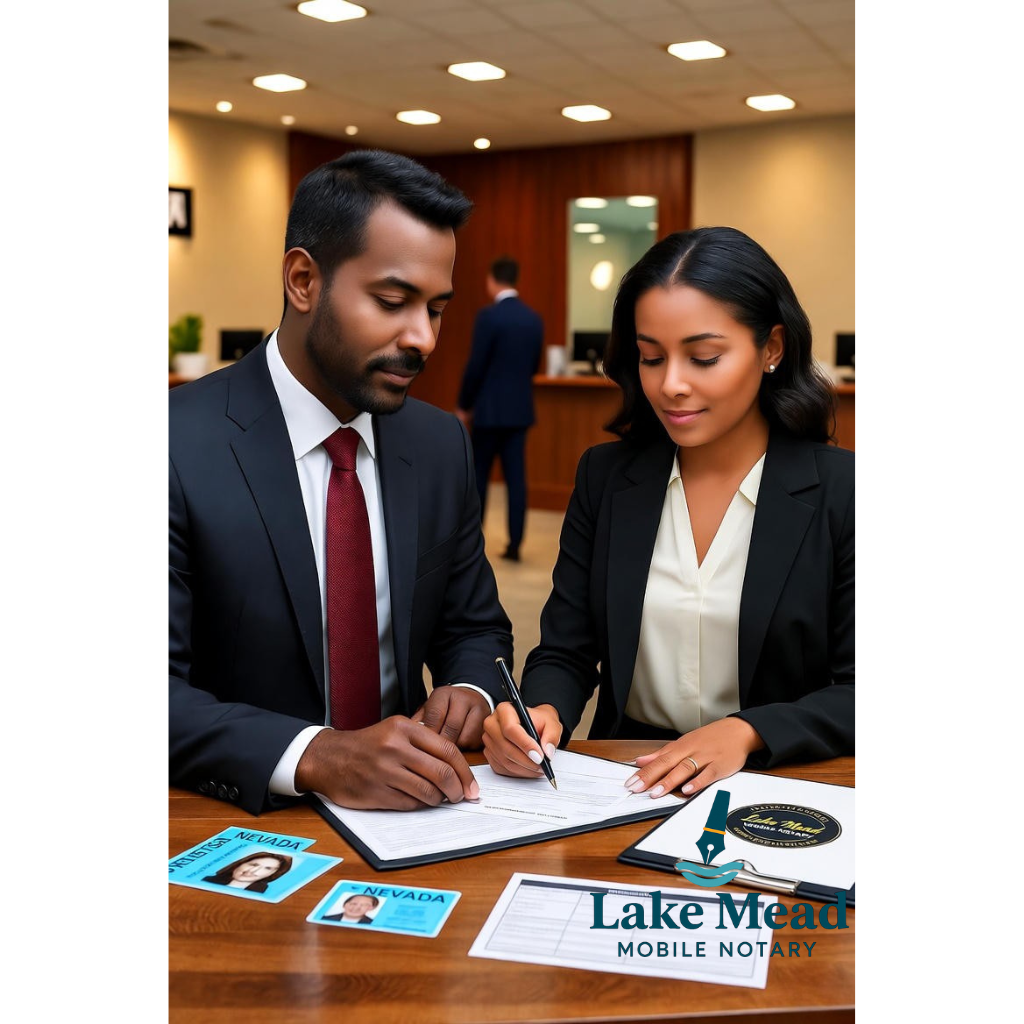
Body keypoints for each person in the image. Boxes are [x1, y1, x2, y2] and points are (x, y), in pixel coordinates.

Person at [168, 149, 515, 816]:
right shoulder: (181, 445)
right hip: (235, 818)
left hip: (415, 815)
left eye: (437, 309)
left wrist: (470, 692)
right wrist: (319, 754)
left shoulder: (439, 444)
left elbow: (474, 628)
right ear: (303, 280)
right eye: (393, 301)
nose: (424, 338)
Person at [481, 226, 855, 798]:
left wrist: (749, 730)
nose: (671, 385)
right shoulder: (606, 478)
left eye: (703, 357)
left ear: (772, 348)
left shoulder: (840, 491)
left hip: (778, 778)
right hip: (625, 779)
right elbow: (566, 648)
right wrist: (540, 711)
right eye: (651, 358)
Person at [455, 256, 544, 562]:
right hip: (519, 411)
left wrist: (464, 404)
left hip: (489, 411)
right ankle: (515, 544)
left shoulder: (488, 317)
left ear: (493, 280)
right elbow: (534, 366)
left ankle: (472, 546)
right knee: (517, 479)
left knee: (479, 476)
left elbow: (475, 367)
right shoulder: (533, 319)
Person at [202, 851, 293, 893]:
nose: (253, 871)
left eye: (267, 868)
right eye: (253, 865)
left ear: (273, 874)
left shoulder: (262, 892)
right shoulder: (207, 880)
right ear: (241, 863)